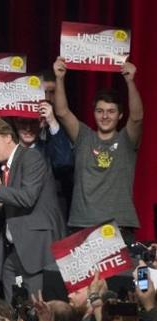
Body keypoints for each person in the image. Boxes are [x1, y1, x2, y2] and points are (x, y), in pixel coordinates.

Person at [53, 57, 143, 244]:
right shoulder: (84, 136)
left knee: (118, 276)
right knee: (84, 275)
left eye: (111, 111)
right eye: (100, 111)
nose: (105, 116)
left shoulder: (126, 140)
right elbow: (61, 112)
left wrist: (130, 81)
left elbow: (137, 117)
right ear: (94, 113)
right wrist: (59, 78)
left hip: (118, 226)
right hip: (83, 224)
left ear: (120, 115)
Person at [0, 120, 65, 301]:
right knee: (14, 306)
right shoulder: (6, 169)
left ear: (8, 137)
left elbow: (28, 197)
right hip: (14, 251)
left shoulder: (31, 157)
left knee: (36, 309)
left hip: (35, 249)